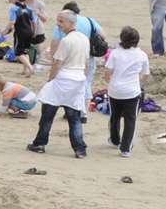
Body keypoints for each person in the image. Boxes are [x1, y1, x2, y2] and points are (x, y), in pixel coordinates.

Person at [30, 10, 89, 157]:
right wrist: (84, 78)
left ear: (71, 23)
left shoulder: (66, 40)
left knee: (48, 114)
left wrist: (50, 79)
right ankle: (80, 149)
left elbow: (57, 63)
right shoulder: (84, 39)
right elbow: (86, 62)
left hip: (64, 78)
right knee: (74, 117)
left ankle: (40, 143)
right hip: (78, 78)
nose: (58, 24)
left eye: (61, 21)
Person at [101, 25, 147, 156]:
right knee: (130, 119)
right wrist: (140, 84)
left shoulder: (115, 53)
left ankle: (115, 140)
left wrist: (111, 82)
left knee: (114, 116)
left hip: (115, 90)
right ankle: (125, 148)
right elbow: (146, 74)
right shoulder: (142, 55)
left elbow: (107, 72)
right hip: (132, 91)